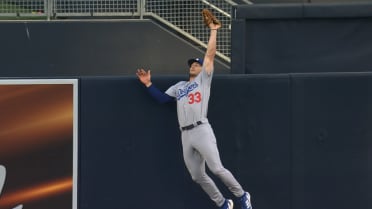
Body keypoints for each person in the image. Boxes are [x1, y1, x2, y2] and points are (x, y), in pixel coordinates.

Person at [136, 10, 252, 209]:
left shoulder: (203, 80)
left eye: (196, 64)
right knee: (197, 175)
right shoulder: (179, 86)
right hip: (185, 134)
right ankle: (223, 203)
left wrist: (214, 31)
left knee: (216, 168)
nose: (193, 66)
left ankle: (242, 195)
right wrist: (148, 84)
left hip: (201, 128)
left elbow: (210, 55)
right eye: (191, 64)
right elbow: (163, 99)